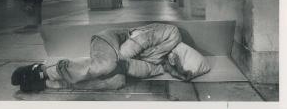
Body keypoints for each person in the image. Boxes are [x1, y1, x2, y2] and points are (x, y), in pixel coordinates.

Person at [11, 23, 181, 92]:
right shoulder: (173, 35)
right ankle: (42, 71)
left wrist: (166, 67)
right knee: (106, 65)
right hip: (110, 39)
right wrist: (122, 65)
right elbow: (135, 44)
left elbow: (139, 69)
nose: (176, 62)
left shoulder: (161, 63)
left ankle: (46, 83)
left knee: (116, 82)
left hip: (119, 61)